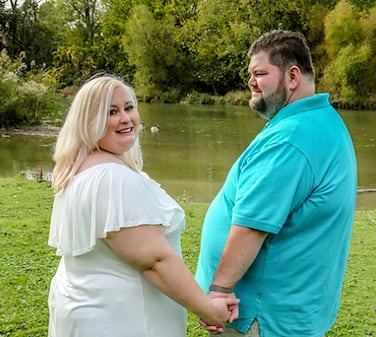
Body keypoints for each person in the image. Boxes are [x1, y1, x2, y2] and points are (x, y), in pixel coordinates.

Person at [194, 30, 358, 337]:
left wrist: (219, 290)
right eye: (250, 75)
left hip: (260, 314)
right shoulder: (321, 121)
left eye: (259, 73)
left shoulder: (291, 140)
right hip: (287, 310)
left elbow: (250, 226)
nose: (251, 82)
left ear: (292, 75)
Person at [47, 74, 238, 336]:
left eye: (129, 107)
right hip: (124, 321)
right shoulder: (114, 179)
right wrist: (207, 308)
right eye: (111, 112)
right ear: (88, 120)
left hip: (87, 312)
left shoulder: (78, 171)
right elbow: (156, 261)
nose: (125, 118)